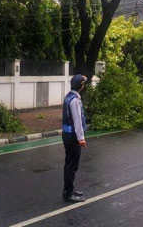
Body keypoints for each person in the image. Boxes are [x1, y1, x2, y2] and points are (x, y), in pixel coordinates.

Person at [62, 74, 88, 203]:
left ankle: (68, 189)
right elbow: (77, 121)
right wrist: (81, 139)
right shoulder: (75, 100)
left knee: (69, 163)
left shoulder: (68, 96)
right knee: (72, 165)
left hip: (67, 134)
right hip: (73, 136)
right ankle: (68, 193)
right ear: (81, 86)